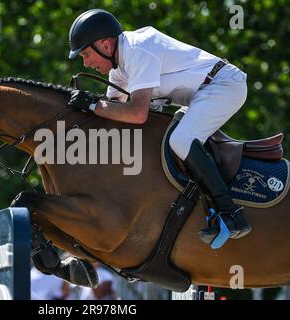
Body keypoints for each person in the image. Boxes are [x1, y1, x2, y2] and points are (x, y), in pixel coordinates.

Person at [67, 9, 252, 244]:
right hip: (202, 95)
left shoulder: (136, 50)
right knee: (166, 139)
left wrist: (92, 105)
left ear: (104, 45)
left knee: (181, 141)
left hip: (225, 85)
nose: (85, 62)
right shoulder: (119, 68)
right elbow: (112, 113)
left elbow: (136, 114)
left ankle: (231, 214)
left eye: (85, 54)